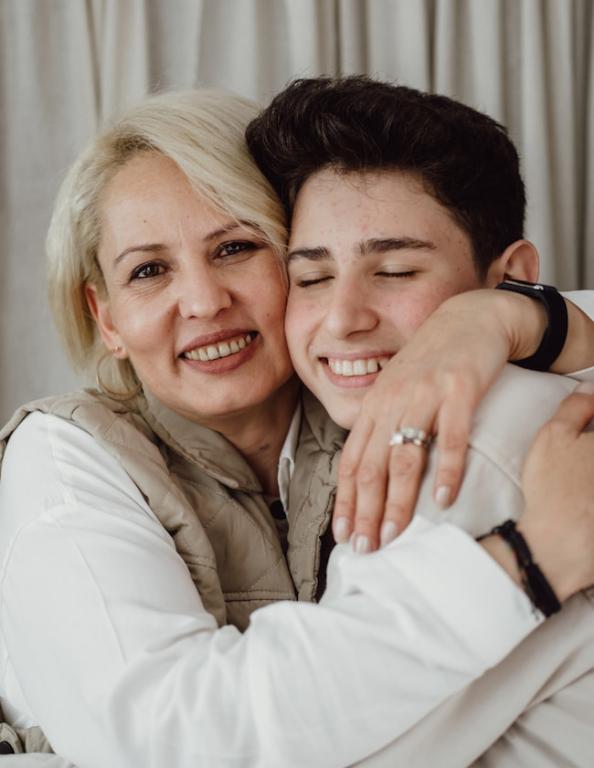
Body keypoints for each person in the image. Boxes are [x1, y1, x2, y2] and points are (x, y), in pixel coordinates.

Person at [0, 87, 591, 768]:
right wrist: (528, 561)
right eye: (149, 270)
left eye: (235, 248)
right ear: (107, 320)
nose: (202, 300)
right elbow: (160, 742)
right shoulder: (65, 460)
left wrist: (509, 317)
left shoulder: (380, 402)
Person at [244, 75, 594, 765]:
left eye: (397, 270)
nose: (343, 317)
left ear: (513, 274)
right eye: (311, 278)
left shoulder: (460, 446)